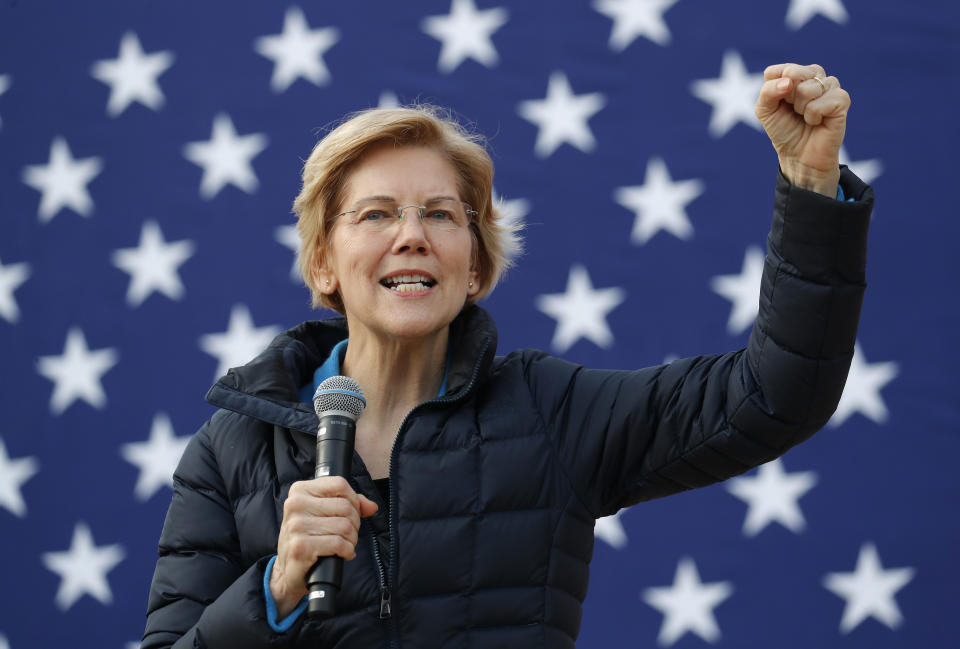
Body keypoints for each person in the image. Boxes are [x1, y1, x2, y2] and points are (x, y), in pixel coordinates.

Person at [142, 62, 874, 648]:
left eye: (439, 213)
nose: (411, 235)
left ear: (474, 267)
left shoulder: (551, 409)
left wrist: (810, 182)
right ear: (325, 263)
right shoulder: (232, 448)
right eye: (375, 214)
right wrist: (274, 588)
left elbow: (777, 391)